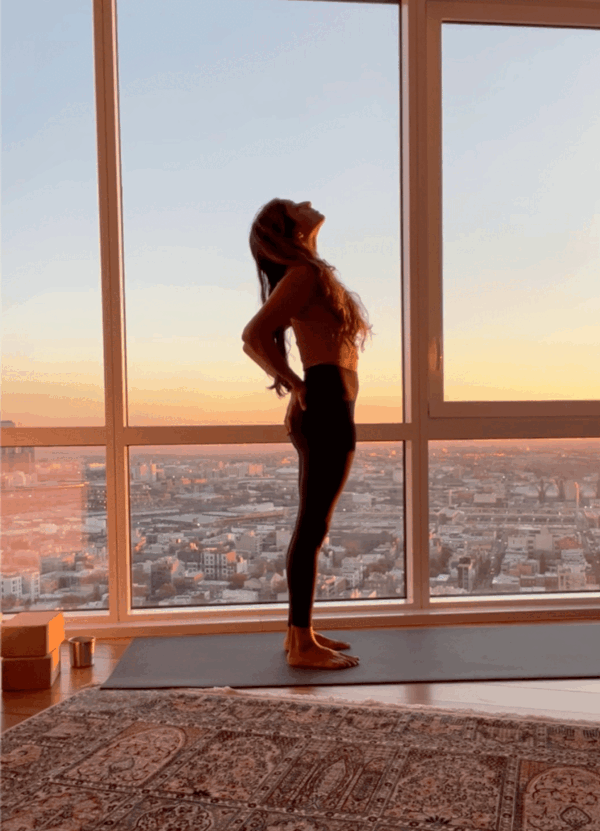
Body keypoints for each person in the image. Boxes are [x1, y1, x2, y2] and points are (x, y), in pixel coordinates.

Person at [243, 198, 372, 669]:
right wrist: (297, 384)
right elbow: (253, 336)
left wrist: (301, 388)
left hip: (329, 404)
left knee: (312, 525)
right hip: (325, 405)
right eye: (294, 205)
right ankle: (300, 644)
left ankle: (301, 633)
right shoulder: (305, 275)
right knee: (313, 527)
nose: (307, 203)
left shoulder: (311, 273)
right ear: (288, 229)